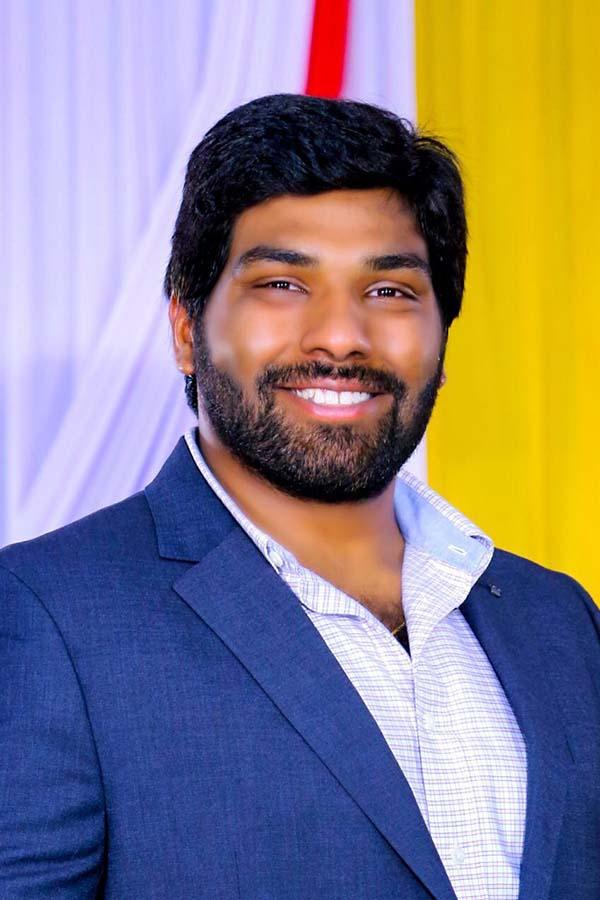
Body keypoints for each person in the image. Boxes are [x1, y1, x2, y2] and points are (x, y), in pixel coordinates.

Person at [1, 94, 598, 900]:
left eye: (389, 291)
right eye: (283, 283)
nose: (341, 336)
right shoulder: (48, 615)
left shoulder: (559, 620)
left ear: (443, 336)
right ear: (186, 329)